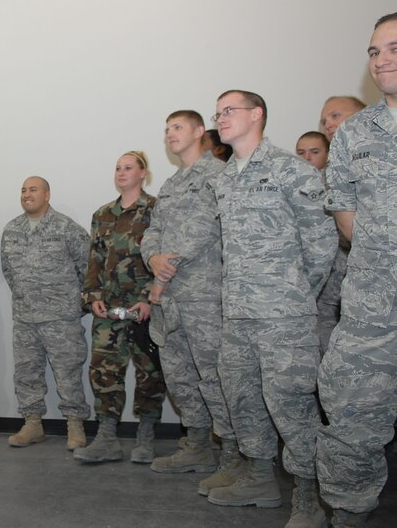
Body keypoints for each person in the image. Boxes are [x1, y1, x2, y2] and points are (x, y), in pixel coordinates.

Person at [209, 90, 336, 527]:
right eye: (218, 112)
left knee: (292, 405)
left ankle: (308, 497)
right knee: (243, 399)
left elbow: (321, 243)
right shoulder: (224, 180)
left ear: (257, 114)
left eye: (230, 110)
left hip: (284, 315)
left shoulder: (290, 169)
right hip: (238, 314)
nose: (221, 118)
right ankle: (260, 478)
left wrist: (296, 293)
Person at [317, 12, 397, 528]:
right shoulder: (356, 131)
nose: (382, 58)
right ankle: (350, 509)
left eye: (393, 47)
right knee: (349, 401)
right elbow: (343, 205)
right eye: (374, 51)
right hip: (373, 295)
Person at [141, 112, 238, 494]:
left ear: (200, 132)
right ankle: (197, 446)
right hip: (170, 299)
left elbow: (204, 231)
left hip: (202, 296)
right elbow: (153, 230)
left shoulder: (218, 175)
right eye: (166, 129)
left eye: (177, 127)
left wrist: (166, 266)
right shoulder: (171, 183)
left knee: (214, 377)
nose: (169, 134)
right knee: (181, 377)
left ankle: (232, 456)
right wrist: (152, 258)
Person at [74, 151, 166, 465]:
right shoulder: (102, 214)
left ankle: (146, 435)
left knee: (149, 373)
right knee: (103, 371)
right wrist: (92, 295)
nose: (121, 172)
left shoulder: (156, 210)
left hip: (144, 307)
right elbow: (94, 260)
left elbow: (162, 256)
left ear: (143, 173)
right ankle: (107, 437)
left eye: (128, 167)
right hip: (108, 309)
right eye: (118, 168)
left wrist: (149, 297)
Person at [0, 176, 91, 450]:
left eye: (33, 189)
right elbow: (9, 271)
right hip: (25, 318)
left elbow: (88, 265)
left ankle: (75, 426)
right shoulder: (12, 229)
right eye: (24, 190)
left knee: (68, 373)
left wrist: (75, 302)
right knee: (27, 373)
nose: (27, 194)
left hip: (60, 318)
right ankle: (32, 424)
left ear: (47, 195)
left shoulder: (66, 227)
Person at [295, 129, 342, 352]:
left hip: (338, 272)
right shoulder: (293, 187)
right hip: (305, 274)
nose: (307, 158)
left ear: (328, 153)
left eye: (314, 152)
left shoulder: (337, 183)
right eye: (301, 152)